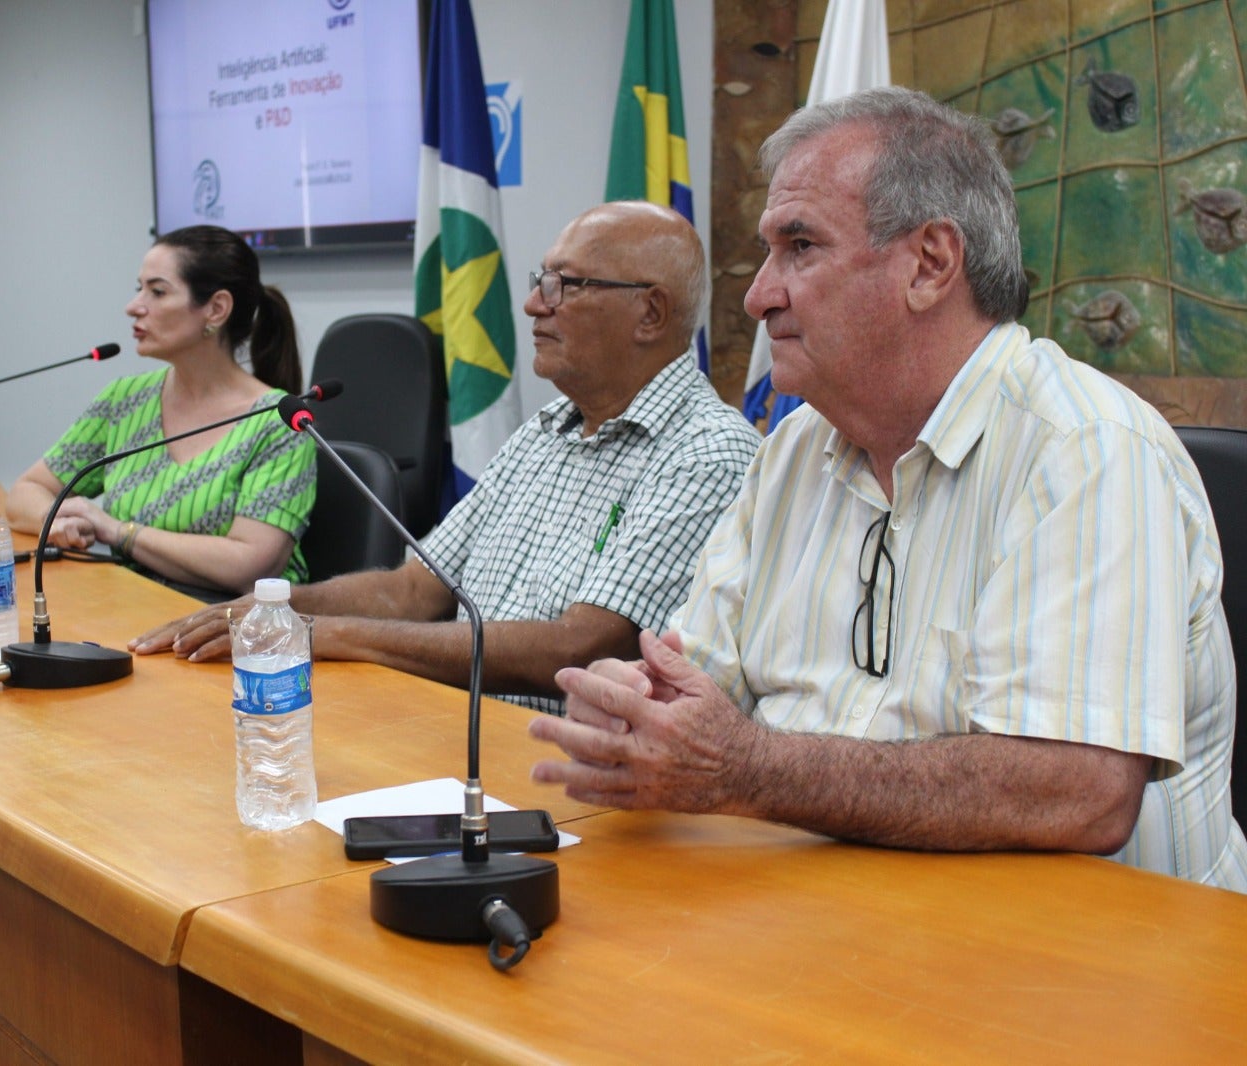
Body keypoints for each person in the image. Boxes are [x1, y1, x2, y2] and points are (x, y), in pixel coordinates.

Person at [528, 87, 1247, 891]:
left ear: (931, 264)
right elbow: (696, 684)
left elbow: (1076, 793)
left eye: (800, 246)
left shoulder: (1086, 449)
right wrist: (639, 706)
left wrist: (747, 768)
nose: (758, 295)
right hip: (837, 914)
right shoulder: (792, 451)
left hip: (1091, 950)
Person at [132, 201, 761, 714]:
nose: (534, 305)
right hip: (442, 722)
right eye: (540, 281)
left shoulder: (707, 452)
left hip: (554, 767)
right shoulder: (544, 431)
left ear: (650, 312)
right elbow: (413, 589)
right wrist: (277, 607)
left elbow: (579, 647)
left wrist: (327, 635)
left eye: (564, 285)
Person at [8, 225, 316, 596]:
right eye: (139, 288)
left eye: (157, 291)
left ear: (216, 309)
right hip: (130, 605)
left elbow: (249, 564)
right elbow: (26, 491)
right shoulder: (124, 400)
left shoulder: (279, 423)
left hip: (234, 622)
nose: (133, 306)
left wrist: (118, 532)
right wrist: (57, 521)